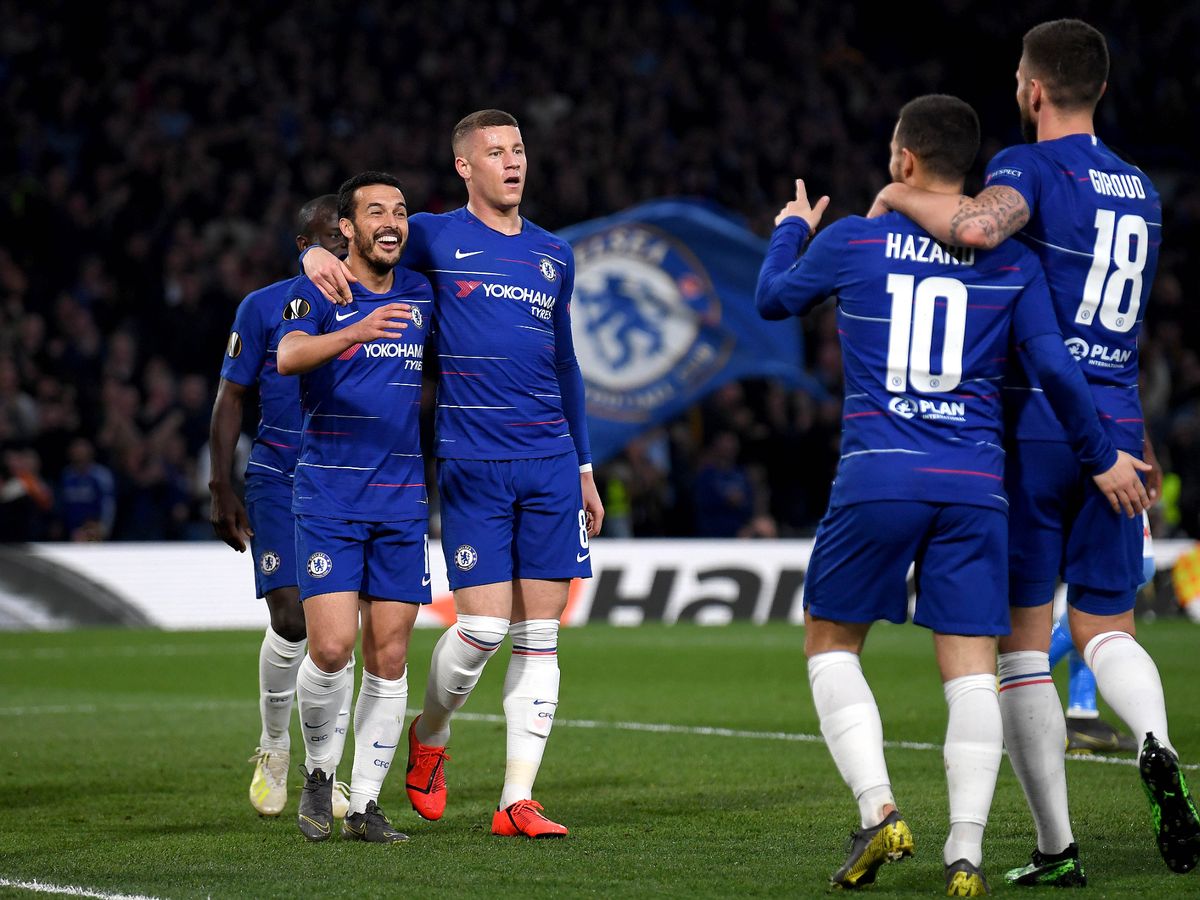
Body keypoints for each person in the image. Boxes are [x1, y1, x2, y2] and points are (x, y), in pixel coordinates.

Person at [756, 94, 1149, 895]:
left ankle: (878, 809)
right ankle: (964, 853)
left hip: (878, 474)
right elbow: (1055, 369)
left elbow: (773, 298)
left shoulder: (854, 240)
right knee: (972, 670)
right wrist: (1101, 453)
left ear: (904, 160)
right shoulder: (1014, 263)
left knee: (831, 644)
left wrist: (791, 228)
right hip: (976, 484)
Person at [873, 18, 1200, 880]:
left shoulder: (1026, 167)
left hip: (1035, 428)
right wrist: (1132, 439)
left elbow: (978, 229)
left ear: (1033, 89)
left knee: (1022, 650)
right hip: (1118, 431)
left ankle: (1057, 847)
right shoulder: (1141, 188)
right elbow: (1124, 329)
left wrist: (898, 196)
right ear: (1102, 88)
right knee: (1107, 629)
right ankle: (1157, 742)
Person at [302, 110, 604, 838]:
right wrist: (311, 252)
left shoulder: (554, 253)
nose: (513, 162)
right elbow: (357, 236)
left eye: (519, 150)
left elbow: (566, 363)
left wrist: (585, 465)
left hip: (550, 460)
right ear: (465, 166)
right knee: (483, 628)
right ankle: (430, 732)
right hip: (472, 459)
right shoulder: (435, 234)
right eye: (495, 152)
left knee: (541, 635)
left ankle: (516, 800)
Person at [275, 171, 432, 844]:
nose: (391, 222)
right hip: (330, 496)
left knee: (389, 657)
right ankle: (318, 771)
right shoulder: (321, 289)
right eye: (376, 212)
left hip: (401, 500)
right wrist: (355, 330)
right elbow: (288, 355)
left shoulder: (422, 290)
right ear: (347, 227)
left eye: (400, 211)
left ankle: (366, 804)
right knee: (333, 647)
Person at [210, 195, 355, 819]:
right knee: (294, 620)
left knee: (338, 634)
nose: (343, 243)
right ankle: (274, 745)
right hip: (278, 477)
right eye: (330, 235)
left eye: (347, 232)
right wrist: (220, 484)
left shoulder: (373, 301)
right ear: (305, 246)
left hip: (346, 481)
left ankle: (327, 771)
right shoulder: (264, 306)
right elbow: (231, 397)